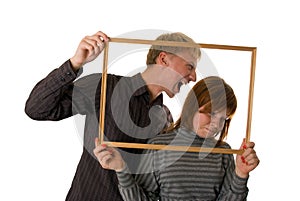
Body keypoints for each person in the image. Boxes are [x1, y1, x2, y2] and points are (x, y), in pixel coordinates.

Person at [25, 31, 201, 201]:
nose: (193, 77)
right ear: (163, 59)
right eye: (190, 66)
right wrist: (75, 63)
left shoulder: (165, 119)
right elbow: (37, 109)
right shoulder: (105, 87)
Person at [94, 76, 260, 201]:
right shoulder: (159, 146)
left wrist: (241, 174)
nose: (216, 124)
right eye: (211, 113)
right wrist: (121, 169)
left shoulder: (223, 152)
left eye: (224, 118)